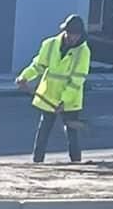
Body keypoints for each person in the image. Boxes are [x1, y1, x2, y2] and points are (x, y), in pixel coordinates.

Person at [17, 14, 90, 164]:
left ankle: (76, 164)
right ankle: (37, 162)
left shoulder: (83, 52)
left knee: (71, 131)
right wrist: (24, 77)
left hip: (70, 99)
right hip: (49, 96)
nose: (73, 38)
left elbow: (77, 80)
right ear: (65, 31)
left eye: (77, 35)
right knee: (44, 130)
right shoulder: (50, 45)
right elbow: (38, 66)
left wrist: (64, 101)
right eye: (71, 34)